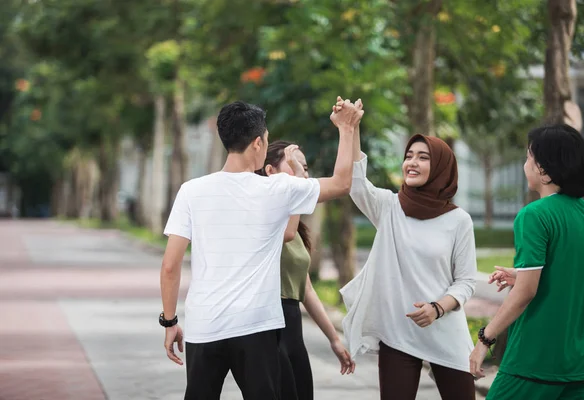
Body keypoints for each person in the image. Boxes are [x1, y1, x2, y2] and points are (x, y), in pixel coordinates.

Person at [158, 99, 362, 400]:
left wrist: (170, 321)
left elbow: (170, 266)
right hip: (256, 327)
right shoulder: (277, 189)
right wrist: (346, 128)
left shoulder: (192, 190)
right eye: (266, 140)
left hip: (205, 325)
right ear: (257, 142)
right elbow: (343, 183)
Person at [335, 98, 477, 399]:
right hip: (398, 335)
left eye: (423, 157)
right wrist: (351, 127)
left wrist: (438, 308)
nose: (412, 162)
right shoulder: (390, 207)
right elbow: (357, 184)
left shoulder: (459, 220)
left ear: (440, 167)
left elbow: (466, 281)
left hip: (445, 330)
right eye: (409, 155)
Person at [470, 124, 584, 400]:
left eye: (529, 156)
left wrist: (485, 339)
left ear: (544, 169)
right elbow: (577, 277)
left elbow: (527, 292)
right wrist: (522, 274)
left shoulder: (534, 215)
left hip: (533, 362)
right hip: (578, 366)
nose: (525, 163)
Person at [256, 140, 356, 400]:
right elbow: (285, 234)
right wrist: (299, 184)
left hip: (292, 325)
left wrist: (334, 339)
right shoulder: (261, 213)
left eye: (305, 167)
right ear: (270, 172)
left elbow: (306, 287)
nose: (304, 173)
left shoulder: (296, 224)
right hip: (269, 324)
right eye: (294, 165)